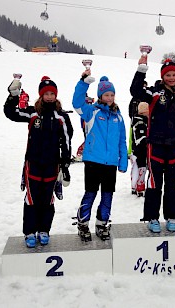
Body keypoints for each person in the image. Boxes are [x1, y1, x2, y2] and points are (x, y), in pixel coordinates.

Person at [4, 76, 73, 248]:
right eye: (46, 94)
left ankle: (44, 230)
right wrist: (13, 95)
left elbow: (66, 140)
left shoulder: (61, 116)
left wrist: (65, 165)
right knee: (32, 198)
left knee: (47, 199)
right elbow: (11, 113)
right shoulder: (33, 112)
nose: (49, 96)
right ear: (41, 95)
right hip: (33, 163)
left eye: (52, 93)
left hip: (52, 164)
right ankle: (29, 232)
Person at [130, 57, 175, 233]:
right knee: (154, 183)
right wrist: (141, 68)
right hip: (156, 146)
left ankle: (172, 216)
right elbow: (135, 91)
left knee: (173, 184)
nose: (171, 77)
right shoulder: (154, 93)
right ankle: (152, 217)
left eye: (174, 74)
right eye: (168, 74)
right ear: (162, 76)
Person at [73, 70, 128, 242]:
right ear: (100, 95)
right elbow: (76, 103)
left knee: (107, 195)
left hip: (110, 163)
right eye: (106, 94)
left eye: (112, 94)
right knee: (90, 193)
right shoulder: (91, 112)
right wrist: (84, 83)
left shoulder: (118, 117)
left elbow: (122, 140)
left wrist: (123, 160)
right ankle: (83, 223)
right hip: (93, 161)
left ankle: (102, 223)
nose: (110, 98)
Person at [130, 102, 149, 197]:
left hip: (138, 149)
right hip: (140, 149)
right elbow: (140, 138)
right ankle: (139, 186)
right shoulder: (140, 122)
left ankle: (135, 186)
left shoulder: (140, 121)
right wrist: (147, 140)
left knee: (138, 167)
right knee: (140, 167)